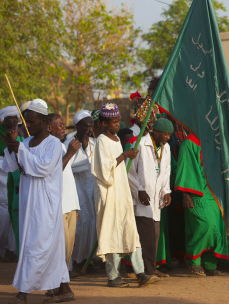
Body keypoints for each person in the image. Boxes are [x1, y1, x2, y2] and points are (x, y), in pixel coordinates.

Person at [3, 99, 74, 304]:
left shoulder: (54, 144)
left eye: (32, 122)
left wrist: (21, 152)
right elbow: (12, 167)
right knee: (48, 247)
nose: (28, 126)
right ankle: (64, 289)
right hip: (28, 203)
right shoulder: (25, 143)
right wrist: (11, 148)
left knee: (35, 246)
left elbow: (42, 169)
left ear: (44, 121)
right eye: (26, 122)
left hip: (45, 205)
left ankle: (23, 293)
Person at [91, 103, 157, 287]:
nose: (117, 125)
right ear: (104, 123)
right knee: (110, 233)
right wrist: (125, 155)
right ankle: (113, 276)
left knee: (130, 230)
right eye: (113, 122)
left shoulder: (117, 140)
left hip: (121, 193)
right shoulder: (101, 142)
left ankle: (140, 272)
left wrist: (127, 155)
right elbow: (103, 170)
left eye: (118, 121)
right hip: (108, 194)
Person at [174, 133, 228, 276]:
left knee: (217, 228)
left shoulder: (213, 139)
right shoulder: (188, 143)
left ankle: (210, 264)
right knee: (204, 225)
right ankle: (194, 261)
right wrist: (185, 194)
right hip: (196, 191)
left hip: (213, 191)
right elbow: (184, 168)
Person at [128, 118, 173, 278]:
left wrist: (166, 191)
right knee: (146, 235)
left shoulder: (165, 148)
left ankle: (150, 268)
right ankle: (147, 270)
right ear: (156, 132)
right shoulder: (140, 143)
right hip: (142, 197)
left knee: (154, 234)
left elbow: (166, 172)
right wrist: (139, 190)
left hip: (156, 199)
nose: (167, 137)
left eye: (169, 135)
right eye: (165, 134)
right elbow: (129, 171)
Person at [47, 114, 81, 278]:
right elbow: (53, 172)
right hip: (59, 207)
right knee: (60, 249)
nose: (63, 128)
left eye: (63, 125)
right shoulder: (49, 147)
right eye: (59, 125)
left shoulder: (61, 146)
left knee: (68, 250)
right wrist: (70, 153)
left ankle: (60, 283)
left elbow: (68, 178)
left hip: (70, 205)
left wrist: (75, 205)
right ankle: (57, 284)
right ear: (49, 128)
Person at [65, 110, 97, 272]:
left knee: (93, 224)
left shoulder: (95, 143)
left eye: (91, 126)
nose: (90, 130)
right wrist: (86, 162)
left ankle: (89, 260)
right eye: (86, 126)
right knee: (80, 226)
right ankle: (76, 260)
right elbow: (67, 165)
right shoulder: (68, 144)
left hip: (92, 189)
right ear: (77, 126)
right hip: (76, 190)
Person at [0, 106, 21, 261]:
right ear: (3, 120)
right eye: (10, 118)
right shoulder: (3, 136)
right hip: (3, 174)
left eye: (16, 117)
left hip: (16, 176)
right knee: (5, 210)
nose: (14, 120)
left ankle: (11, 249)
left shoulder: (19, 134)